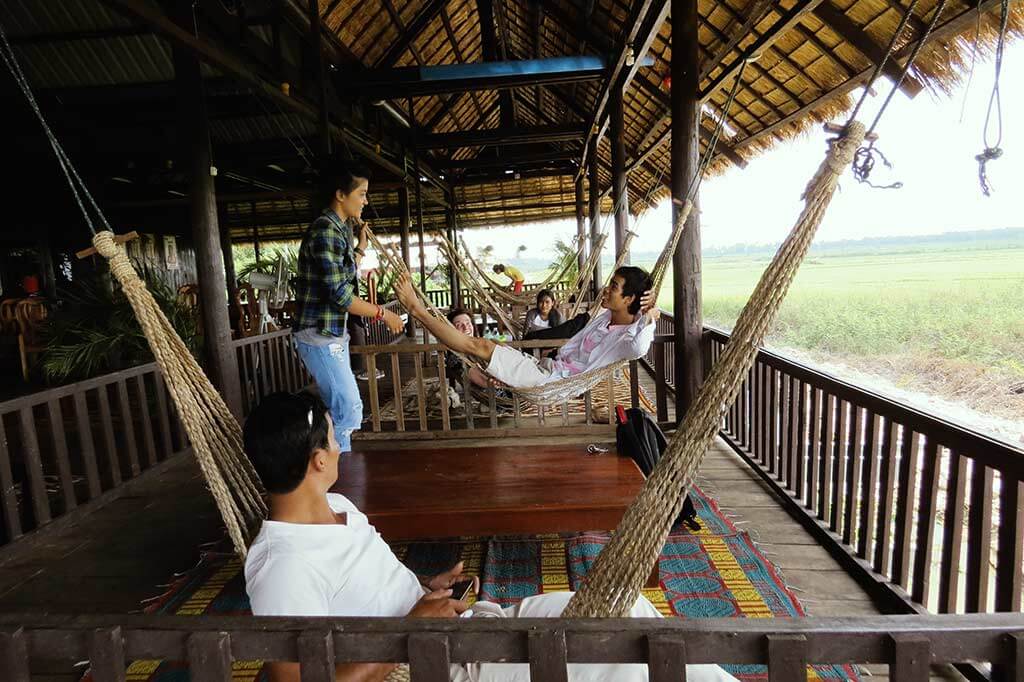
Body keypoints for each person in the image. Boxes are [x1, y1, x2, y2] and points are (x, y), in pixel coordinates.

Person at [243, 391, 740, 682]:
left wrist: (426, 586)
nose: (339, 446)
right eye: (334, 437)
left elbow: (370, 582)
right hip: (439, 668)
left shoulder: (337, 506)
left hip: (462, 629)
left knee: (626, 611)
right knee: (625, 656)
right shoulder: (283, 569)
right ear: (319, 461)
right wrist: (412, 630)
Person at [291, 160, 404, 453]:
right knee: (349, 408)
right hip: (319, 334)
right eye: (362, 193)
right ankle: (334, 471)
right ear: (341, 194)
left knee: (339, 406)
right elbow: (339, 295)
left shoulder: (338, 229)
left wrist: (361, 245)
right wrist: (383, 313)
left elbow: (343, 269)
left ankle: (327, 464)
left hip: (331, 333)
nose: (366, 201)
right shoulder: (326, 230)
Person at [397, 266, 659, 389]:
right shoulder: (606, 318)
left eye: (613, 286)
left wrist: (652, 314)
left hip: (555, 382)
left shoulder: (628, 337)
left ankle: (416, 309)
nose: (606, 289)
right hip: (546, 369)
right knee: (486, 349)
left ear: (629, 299)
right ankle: (418, 309)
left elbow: (638, 347)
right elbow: (575, 340)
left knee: (480, 346)